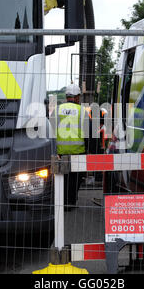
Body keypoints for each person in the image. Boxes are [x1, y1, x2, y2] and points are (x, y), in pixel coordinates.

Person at [56, 83, 90, 211]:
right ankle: (71, 202)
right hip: (78, 152)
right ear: (77, 97)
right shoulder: (82, 111)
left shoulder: (57, 110)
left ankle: (62, 202)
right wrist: (90, 150)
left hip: (60, 153)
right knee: (75, 180)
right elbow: (88, 133)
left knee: (63, 179)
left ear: (66, 97)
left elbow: (50, 131)